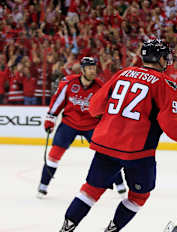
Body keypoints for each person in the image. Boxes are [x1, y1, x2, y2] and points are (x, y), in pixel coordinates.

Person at [50, 39, 177, 232]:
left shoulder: (122, 73)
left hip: (105, 144)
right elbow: (172, 125)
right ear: (161, 58)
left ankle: (65, 231)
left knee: (90, 190)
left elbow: (94, 107)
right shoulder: (164, 84)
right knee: (139, 195)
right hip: (138, 152)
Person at [37, 57, 126, 198]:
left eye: (94, 68)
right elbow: (58, 101)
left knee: (108, 155)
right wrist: (50, 118)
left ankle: (120, 185)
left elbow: (107, 107)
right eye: (90, 68)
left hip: (91, 125)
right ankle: (43, 186)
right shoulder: (69, 82)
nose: (93, 71)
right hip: (69, 124)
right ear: (83, 70)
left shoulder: (100, 86)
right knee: (54, 155)